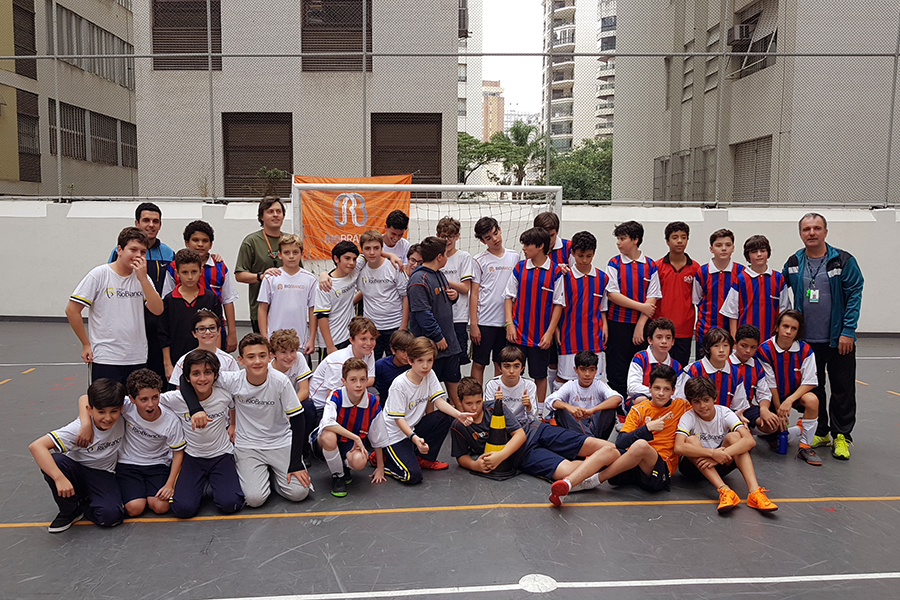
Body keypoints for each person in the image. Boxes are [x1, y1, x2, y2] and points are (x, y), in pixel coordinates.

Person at [180, 334, 311, 507]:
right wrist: (196, 409)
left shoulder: (280, 381)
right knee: (254, 499)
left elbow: (298, 419)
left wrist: (295, 464)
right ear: (241, 360)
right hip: (248, 446)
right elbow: (184, 379)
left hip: (279, 442)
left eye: (262, 356)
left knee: (299, 493)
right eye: (251, 357)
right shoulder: (233, 380)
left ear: (270, 357)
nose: (257, 361)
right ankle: (266, 476)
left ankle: (274, 478)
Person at [451, 377, 617, 507]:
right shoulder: (458, 426)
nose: (474, 408)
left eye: (478, 402)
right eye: (469, 404)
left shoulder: (495, 407)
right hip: (522, 455)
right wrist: (475, 465)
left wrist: (500, 456)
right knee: (566, 471)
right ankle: (607, 461)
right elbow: (461, 456)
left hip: (536, 430)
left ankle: (614, 457)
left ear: (483, 398)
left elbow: (520, 435)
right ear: (459, 401)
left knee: (599, 445)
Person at [783, 213, 864, 460]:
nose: (812, 233)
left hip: (838, 340)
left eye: (817, 228)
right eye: (806, 229)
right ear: (800, 233)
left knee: (842, 389)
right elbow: (778, 287)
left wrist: (848, 331)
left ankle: (842, 436)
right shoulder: (794, 262)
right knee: (814, 389)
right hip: (807, 342)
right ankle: (821, 431)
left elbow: (855, 294)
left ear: (825, 232)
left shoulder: (843, 260)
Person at [76, 369, 185, 517]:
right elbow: (85, 398)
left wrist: (169, 484)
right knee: (134, 508)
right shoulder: (126, 406)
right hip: (128, 464)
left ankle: (147, 494)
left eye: (155, 397)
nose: (151, 404)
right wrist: (86, 424)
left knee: (161, 507)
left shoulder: (170, 421)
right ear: (132, 399)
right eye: (144, 399)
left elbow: (178, 453)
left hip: (157, 465)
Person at [369, 337, 475, 484]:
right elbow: (398, 419)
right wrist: (414, 438)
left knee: (443, 417)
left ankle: (424, 459)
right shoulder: (399, 385)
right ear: (410, 361)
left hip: (412, 429)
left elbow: (439, 402)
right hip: (393, 436)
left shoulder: (429, 375)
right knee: (412, 476)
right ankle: (385, 460)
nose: (425, 366)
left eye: (429, 360)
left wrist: (459, 415)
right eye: (420, 361)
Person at [67, 227, 164, 384]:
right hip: (105, 357)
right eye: (133, 250)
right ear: (120, 250)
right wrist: (86, 344)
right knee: (105, 399)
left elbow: (158, 310)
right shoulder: (99, 274)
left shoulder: (142, 278)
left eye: (143, 252)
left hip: (136, 356)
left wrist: (143, 279)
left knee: (134, 399)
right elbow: (72, 310)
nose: (138, 255)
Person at [28, 379, 126, 533]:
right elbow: (36, 446)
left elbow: (84, 397)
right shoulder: (77, 429)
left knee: (111, 517)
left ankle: (84, 501)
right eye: (101, 412)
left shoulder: (122, 411)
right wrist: (59, 478)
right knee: (56, 462)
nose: (108, 418)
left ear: (121, 408)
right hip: (76, 469)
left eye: (113, 411)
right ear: (90, 410)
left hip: (103, 473)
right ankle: (70, 510)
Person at [674, 377, 778, 514]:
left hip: (720, 462)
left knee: (735, 437)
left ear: (714, 398)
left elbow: (750, 441)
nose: (702, 406)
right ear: (691, 402)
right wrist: (712, 453)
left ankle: (754, 492)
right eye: (696, 402)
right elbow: (678, 447)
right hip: (694, 469)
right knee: (691, 440)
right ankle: (725, 490)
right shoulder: (688, 417)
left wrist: (719, 456)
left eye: (706, 400)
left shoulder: (725, 413)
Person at [162, 350, 244, 518]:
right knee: (183, 509)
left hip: (221, 455)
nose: (202, 378)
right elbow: (148, 403)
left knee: (231, 504)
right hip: (193, 457)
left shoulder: (224, 394)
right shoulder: (175, 399)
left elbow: (233, 405)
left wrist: (233, 424)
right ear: (187, 378)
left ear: (215, 375)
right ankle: (201, 483)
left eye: (207, 372)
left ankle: (214, 481)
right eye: (196, 374)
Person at [109, 203, 175, 379]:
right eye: (146, 220)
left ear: (160, 225)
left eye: (155, 221)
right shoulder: (119, 253)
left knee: (156, 375)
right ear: (137, 223)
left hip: (158, 324)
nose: (151, 225)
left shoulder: (169, 253)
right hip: (131, 325)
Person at [600, 364, 690, 492]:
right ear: (649, 388)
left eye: (666, 389)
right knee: (606, 450)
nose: (661, 393)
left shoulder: (682, 406)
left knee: (641, 445)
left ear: (673, 391)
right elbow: (620, 442)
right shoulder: (639, 409)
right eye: (657, 388)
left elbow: (705, 409)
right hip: (636, 463)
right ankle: (573, 483)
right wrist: (647, 428)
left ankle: (598, 479)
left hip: (661, 469)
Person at [503, 227, 564, 402]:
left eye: (527, 244)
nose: (523, 248)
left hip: (541, 338)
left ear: (540, 246)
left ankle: (539, 411)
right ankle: (512, 407)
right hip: (517, 335)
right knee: (512, 373)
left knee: (540, 375)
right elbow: (508, 297)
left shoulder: (556, 272)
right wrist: (509, 324)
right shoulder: (519, 268)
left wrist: (549, 333)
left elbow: (558, 305)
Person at [755, 310, 822, 466]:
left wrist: (790, 400)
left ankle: (805, 446)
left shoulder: (806, 350)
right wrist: (780, 411)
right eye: (785, 326)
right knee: (774, 441)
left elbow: (810, 381)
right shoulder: (764, 350)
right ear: (777, 327)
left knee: (812, 400)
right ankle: (798, 429)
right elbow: (770, 383)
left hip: (795, 395)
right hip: (773, 397)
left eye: (794, 328)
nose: (788, 331)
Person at [605, 220, 662, 399]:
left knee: (640, 367)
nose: (618, 243)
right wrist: (641, 306)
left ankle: (638, 404)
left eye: (622, 238)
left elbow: (653, 297)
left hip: (642, 325)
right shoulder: (614, 263)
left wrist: (641, 324)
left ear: (635, 239)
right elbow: (612, 294)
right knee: (617, 368)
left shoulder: (650, 265)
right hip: (617, 323)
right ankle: (618, 406)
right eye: (618, 239)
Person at [162, 220, 239, 352]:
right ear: (187, 243)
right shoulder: (174, 267)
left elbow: (228, 300)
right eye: (195, 240)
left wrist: (232, 333)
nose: (200, 244)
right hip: (182, 331)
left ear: (211, 244)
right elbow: (166, 299)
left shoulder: (220, 267)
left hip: (213, 330)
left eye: (205, 241)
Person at [313, 358, 384, 497]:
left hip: (350, 445)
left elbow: (378, 436)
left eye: (362, 379)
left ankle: (344, 466)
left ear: (367, 380)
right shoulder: (336, 395)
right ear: (344, 381)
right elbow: (327, 423)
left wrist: (380, 467)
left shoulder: (372, 401)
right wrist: (356, 437)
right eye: (353, 380)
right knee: (328, 436)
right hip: (325, 442)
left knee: (360, 461)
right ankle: (338, 476)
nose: (358, 385)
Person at [408, 236, 462, 404]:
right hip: (432, 346)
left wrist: (454, 296)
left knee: (454, 384)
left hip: (449, 343)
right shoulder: (418, 280)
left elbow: (442, 302)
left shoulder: (440, 275)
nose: (447, 257)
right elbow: (422, 314)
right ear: (439, 257)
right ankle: (429, 419)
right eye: (445, 254)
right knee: (429, 391)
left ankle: (459, 417)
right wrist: (437, 337)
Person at [553, 231, 608, 388]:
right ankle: (558, 404)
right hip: (569, 336)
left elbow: (602, 306)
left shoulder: (602, 278)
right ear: (572, 253)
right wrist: (556, 329)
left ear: (594, 253)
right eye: (580, 256)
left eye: (588, 256)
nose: (584, 260)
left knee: (594, 380)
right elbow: (556, 306)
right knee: (564, 379)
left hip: (594, 337)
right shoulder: (564, 277)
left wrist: (605, 325)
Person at [159, 248, 223, 382]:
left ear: (201, 271)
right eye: (185, 272)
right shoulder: (169, 301)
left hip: (206, 363)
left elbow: (218, 331)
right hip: (177, 360)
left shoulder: (211, 298)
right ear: (177, 273)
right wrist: (167, 364)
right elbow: (164, 334)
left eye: (194, 272)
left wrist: (217, 359)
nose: (189, 277)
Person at [470, 216, 520, 384]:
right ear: (483, 241)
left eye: (495, 233)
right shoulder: (478, 260)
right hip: (484, 321)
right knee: (479, 363)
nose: (494, 239)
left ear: (499, 229)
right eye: (488, 238)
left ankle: (497, 397)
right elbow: (474, 294)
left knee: (501, 364)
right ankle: (476, 397)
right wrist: (474, 325)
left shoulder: (515, 257)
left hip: (506, 322)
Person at [720, 235, 790, 339]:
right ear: (747, 256)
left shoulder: (778, 279)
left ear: (768, 253)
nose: (759, 254)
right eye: (754, 251)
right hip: (745, 341)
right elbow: (732, 313)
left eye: (763, 250)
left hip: (772, 339)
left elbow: (784, 311)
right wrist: (734, 340)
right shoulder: (740, 279)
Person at [309, 316, 378, 422]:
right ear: (352, 340)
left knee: (373, 394)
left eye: (372, 339)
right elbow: (331, 396)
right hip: (321, 405)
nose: (369, 343)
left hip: (347, 392)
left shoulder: (368, 352)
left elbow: (371, 379)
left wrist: (353, 383)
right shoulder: (338, 361)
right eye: (363, 339)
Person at [234, 196, 287, 334]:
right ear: (262, 217)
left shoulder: (290, 241)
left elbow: (299, 271)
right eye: (270, 211)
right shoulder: (251, 241)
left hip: (287, 310)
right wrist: (260, 276)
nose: (275, 215)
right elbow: (239, 275)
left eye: (279, 211)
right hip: (261, 311)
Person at [257, 234, 317, 351]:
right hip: (274, 341)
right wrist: (265, 338)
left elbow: (313, 310)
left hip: (300, 341)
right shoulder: (270, 278)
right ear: (279, 255)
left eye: (295, 252)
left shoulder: (310, 279)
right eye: (286, 252)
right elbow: (262, 309)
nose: (291, 256)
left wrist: (312, 339)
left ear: (302, 254)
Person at [356, 229, 409, 359]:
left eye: (376, 248)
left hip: (395, 326)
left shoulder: (394, 267)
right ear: (362, 250)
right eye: (367, 248)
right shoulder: (359, 270)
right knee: (371, 365)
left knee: (396, 364)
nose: (372, 252)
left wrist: (403, 326)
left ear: (382, 248)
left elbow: (405, 296)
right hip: (371, 329)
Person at [546, 351, 621, 440]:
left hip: (595, 425)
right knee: (561, 409)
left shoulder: (599, 385)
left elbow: (617, 398)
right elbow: (549, 401)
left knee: (610, 407)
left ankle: (588, 441)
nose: (587, 374)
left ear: (596, 371)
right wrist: (569, 407)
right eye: (583, 369)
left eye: (591, 370)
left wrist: (592, 410)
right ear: (576, 370)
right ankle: (591, 441)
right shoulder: (570, 385)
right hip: (575, 425)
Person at [694, 229, 745, 360]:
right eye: (718, 245)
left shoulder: (742, 272)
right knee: (703, 369)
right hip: (706, 332)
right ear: (711, 249)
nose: (723, 248)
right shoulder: (702, 272)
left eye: (728, 245)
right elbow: (697, 299)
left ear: (733, 248)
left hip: (732, 335)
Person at [655, 221, 699, 366]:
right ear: (667, 241)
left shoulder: (696, 268)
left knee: (681, 369)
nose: (679, 241)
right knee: (659, 368)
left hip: (684, 328)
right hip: (661, 328)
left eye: (683, 237)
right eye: (675, 237)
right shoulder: (657, 267)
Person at [676, 328, 749, 416]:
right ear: (707, 349)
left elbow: (739, 405)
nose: (721, 350)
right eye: (716, 346)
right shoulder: (695, 369)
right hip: (696, 418)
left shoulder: (736, 372)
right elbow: (683, 401)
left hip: (726, 418)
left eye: (725, 345)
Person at [436, 216, 475, 369]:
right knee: (437, 360)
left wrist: (445, 282)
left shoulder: (463, 257)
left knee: (456, 363)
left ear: (457, 236)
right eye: (443, 236)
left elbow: (465, 288)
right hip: (438, 317)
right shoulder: (435, 257)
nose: (447, 240)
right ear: (437, 235)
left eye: (451, 236)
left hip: (458, 317)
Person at [168, 309, 240, 388]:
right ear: (194, 333)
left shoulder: (229, 361)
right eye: (202, 329)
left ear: (218, 331)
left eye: (212, 328)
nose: (208, 332)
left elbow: (236, 386)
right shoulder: (183, 360)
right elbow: (179, 389)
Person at [314, 241, 362, 358]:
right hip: (332, 340)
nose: (351, 263)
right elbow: (321, 317)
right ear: (336, 259)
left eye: (354, 259)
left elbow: (371, 250)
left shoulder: (354, 270)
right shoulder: (326, 285)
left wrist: (391, 255)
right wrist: (330, 346)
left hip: (349, 337)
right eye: (347, 258)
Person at [730, 325, 779, 437]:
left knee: (772, 424)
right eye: (743, 346)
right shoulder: (725, 362)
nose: (748, 351)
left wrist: (764, 409)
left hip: (746, 408)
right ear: (735, 343)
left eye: (753, 347)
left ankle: (751, 432)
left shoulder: (757, 366)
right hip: (725, 410)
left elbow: (764, 393)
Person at [626, 318, 682, 410]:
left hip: (666, 402)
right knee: (641, 400)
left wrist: (662, 396)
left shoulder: (676, 366)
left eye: (668, 338)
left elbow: (677, 393)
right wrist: (658, 393)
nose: (664, 341)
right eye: (659, 337)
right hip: (643, 398)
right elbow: (632, 387)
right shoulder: (640, 358)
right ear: (650, 340)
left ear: (673, 342)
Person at [483, 345, 540, 425]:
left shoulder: (529, 385)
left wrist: (529, 407)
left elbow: (534, 419)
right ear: (500, 368)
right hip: (500, 423)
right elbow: (487, 417)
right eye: (507, 366)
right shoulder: (492, 385)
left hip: (522, 424)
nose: (511, 371)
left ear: (522, 368)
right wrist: (495, 404)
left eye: (516, 366)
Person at [374, 329, 414, 402]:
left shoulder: (413, 366)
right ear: (393, 350)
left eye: (410, 350)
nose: (407, 355)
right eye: (403, 351)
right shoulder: (380, 365)